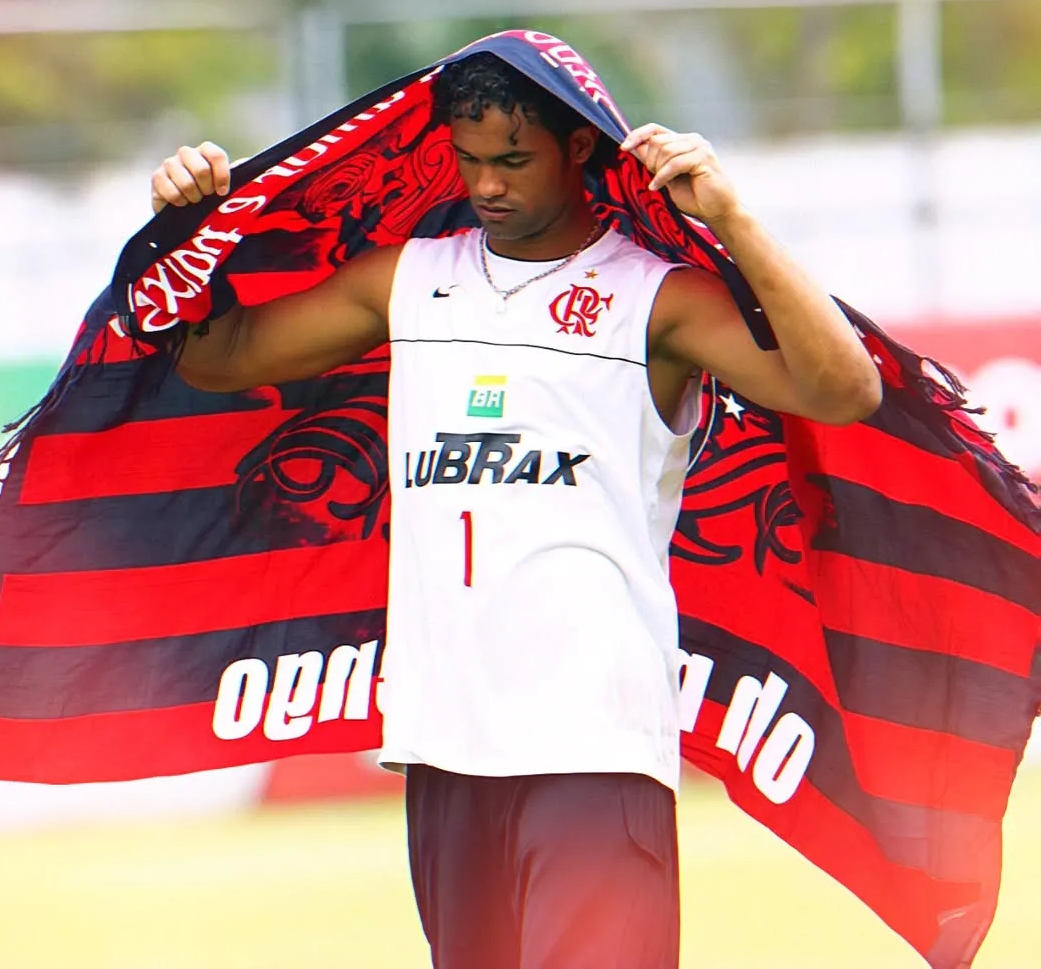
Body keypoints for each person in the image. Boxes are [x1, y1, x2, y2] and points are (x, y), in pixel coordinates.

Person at [150, 52, 881, 969]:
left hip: (593, 746)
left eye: (515, 160)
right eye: (468, 159)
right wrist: (186, 229)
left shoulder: (655, 299)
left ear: (580, 145)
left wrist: (733, 219)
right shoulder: (406, 280)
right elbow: (219, 357)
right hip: (443, 745)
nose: (487, 185)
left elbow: (844, 390)